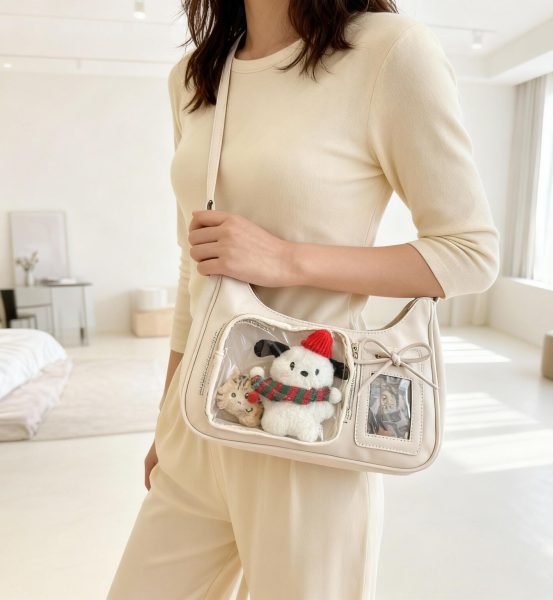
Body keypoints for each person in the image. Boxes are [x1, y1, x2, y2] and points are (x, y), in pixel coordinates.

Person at [107, 0, 500, 598]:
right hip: (199, 418)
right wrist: (168, 413)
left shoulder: (387, 51)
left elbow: (470, 254)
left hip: (309, 431)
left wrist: (287, 260)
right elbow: (195, 260)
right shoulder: (193, 77)